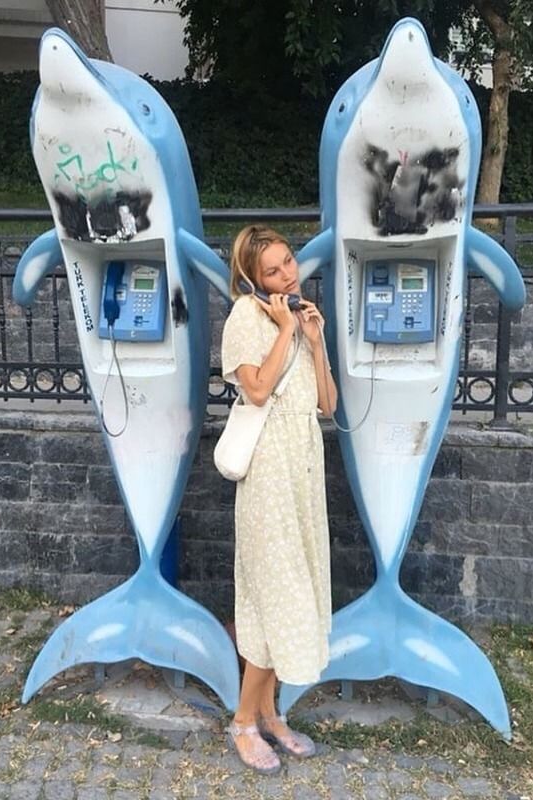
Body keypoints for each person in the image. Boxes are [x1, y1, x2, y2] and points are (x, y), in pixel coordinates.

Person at [220, 225, 338, 774]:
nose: (288, 274)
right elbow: (257, 389)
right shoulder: (247, 318)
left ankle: (269, 714)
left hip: (303, 474)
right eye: (273, 270)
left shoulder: (299, 318)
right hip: (268, 479)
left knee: (292, 593)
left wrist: (314, 342)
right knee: (276, 600)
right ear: (251, 278)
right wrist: (284, 325)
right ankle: (244, 721)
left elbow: (329, 405)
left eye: (288, 261)